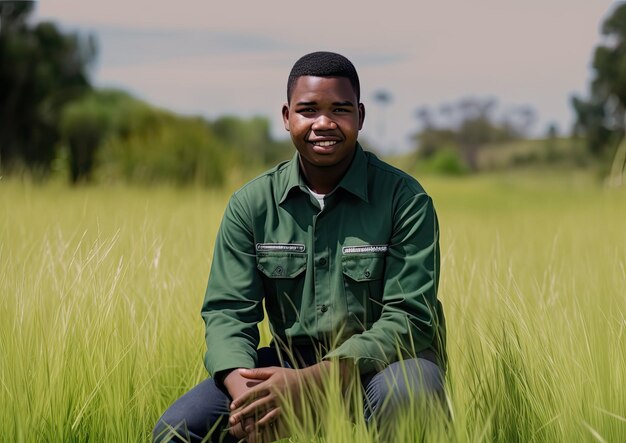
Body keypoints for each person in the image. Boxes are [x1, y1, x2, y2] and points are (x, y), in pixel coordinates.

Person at [153, 51, 447, 443]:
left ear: (360, 116)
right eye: (308, 110)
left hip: (384, 366)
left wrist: (310, 383)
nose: (323, 123)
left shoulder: (404, 200)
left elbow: (410, 318)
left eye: (339, 110)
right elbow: (228, 313)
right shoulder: (251, 205)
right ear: (287, 116)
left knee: (409, 395)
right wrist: (249, 400)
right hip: (287, 365)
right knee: (176, 431)